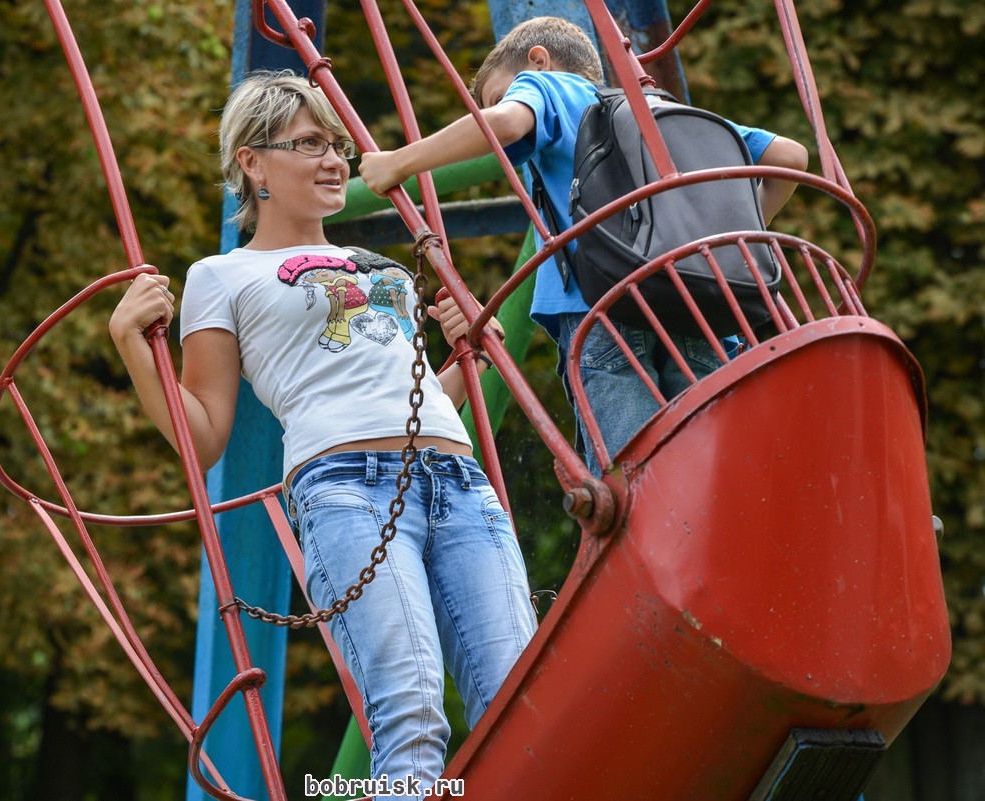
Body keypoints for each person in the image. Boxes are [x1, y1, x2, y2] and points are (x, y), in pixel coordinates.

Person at [108, 71, 536, 799]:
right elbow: (202, 436)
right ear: (252, 161)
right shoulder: (223, 276)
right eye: (310, 144)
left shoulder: (388, 269)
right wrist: (130, 343)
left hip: (458, 481)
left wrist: (468, 353)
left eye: (337, 144)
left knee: (522, 704)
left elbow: (419, 403)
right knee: (410, 713)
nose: (336, 160)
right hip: (348, 491)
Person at [359, 16, 809, 476]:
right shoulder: (660, 109)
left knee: (632, 479)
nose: (499, 106)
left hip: (601, 306)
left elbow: (508, 125)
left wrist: (398, 163)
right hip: (698, 304)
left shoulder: (554, 87)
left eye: (498, 94)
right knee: (709, 472)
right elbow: (790, 156)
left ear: (538, 60)